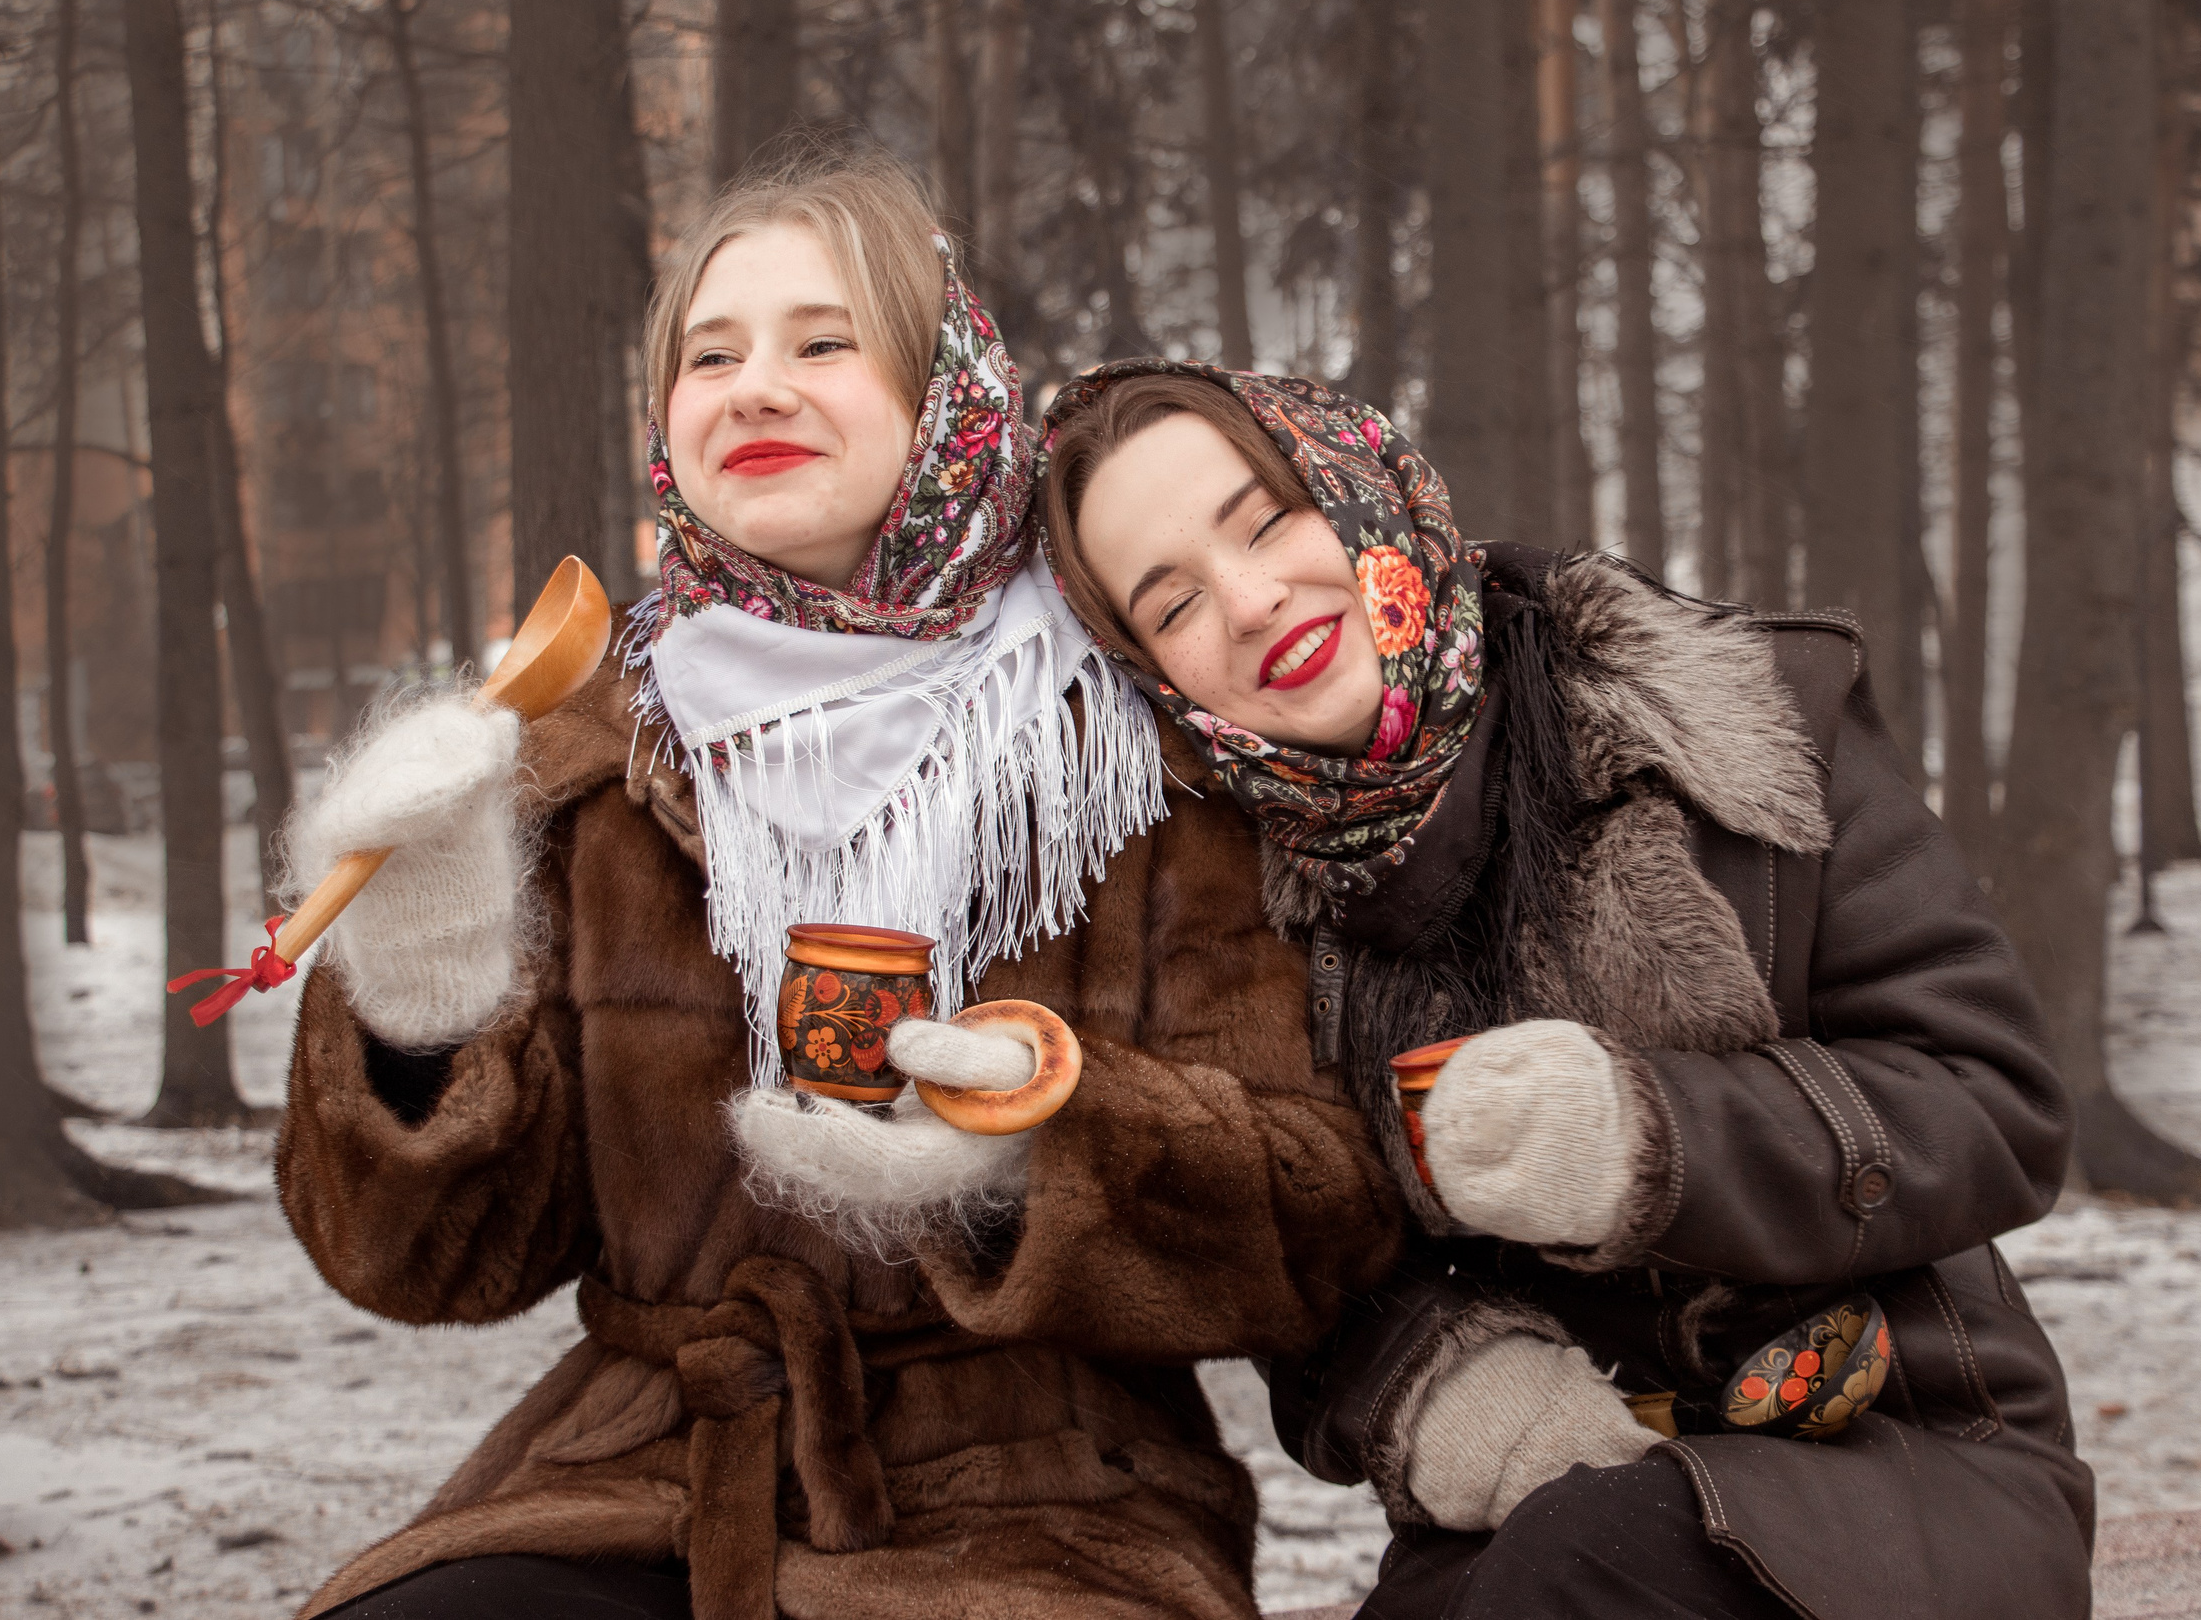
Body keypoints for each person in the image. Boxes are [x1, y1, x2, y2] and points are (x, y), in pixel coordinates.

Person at [275, 147, 1402, 1620]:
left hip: (1049, 1501)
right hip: (645, 1467)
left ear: (947, 393)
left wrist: (1023, 1163)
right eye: (710, 354)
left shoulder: (1119, 743)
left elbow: (1315, 1220)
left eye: (823, 343)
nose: (753, 387)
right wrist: (425, 990)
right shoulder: (585, 752)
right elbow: (421, 1261)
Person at [1038, 359, 2098, 1620]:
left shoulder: (1732, 721)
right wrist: (1437, 1386)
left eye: (1269, 518)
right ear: (1157, 678)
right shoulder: (1233, 912)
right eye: (1173, 605)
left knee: (1580, 1566)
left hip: (1901, 1453)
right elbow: (1306, 1259)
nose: (1254, 599)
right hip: (1556, 1501)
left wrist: (1644, 1140)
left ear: (1363, 486)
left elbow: (1991, 1102)